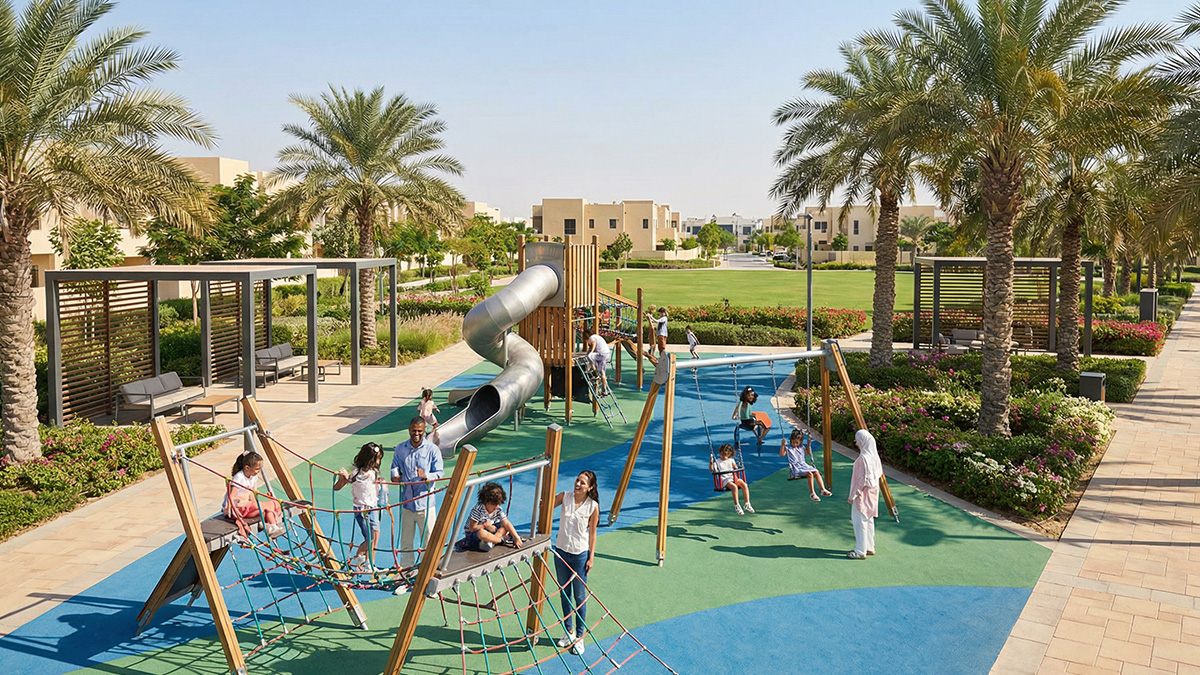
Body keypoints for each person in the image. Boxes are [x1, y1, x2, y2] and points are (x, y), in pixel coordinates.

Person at [391, 417, 444, 584]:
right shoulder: (400, 448)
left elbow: (440, 472)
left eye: (420, 431)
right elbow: (394, 466)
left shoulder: (432, 449)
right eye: (414, 430)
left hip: (425, 503)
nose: (416, 434)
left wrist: (426, 476)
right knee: (406, 541)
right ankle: (407, 572)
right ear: (409, 429)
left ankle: (429, 573)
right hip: (406, 502)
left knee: (429, 539)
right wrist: (395, 475)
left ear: (424, 430)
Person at [553, 470, 599, 656]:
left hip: (579, 555)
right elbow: (546, 505)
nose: (578, 484)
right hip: (561, 552)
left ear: (590, 487)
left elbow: (593, 532)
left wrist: (591, 556)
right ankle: (569, 631)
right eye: (577, 480)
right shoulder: (565, 497)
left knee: (580, 597)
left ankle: (580, 637)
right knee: (565, 594)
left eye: (582, 482)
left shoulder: (592, 506)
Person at [334, 442, 385, 571]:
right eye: (376, 458)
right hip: (361, 510)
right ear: (368, 459)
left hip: (372, 508)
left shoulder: (374, 473)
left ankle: (369, 563)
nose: (378, 461)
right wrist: (343, 477)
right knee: (370, 537)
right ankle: (358, 556)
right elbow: (337, 487)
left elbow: (377, 488)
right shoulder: (356, 474)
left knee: (375, 534)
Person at [223, 451, 283, 537]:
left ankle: (272, 526)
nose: (259, 471)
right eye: (257, 469)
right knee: (263, 507)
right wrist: (230, 510)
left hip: (247, 506)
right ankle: (268, 525)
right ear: (247, 468)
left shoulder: (253, 477)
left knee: (273, 505)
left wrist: (259, 501)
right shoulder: (239, 477)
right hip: (238, 507)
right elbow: (231, 496)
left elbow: (252, 493)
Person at [455, 482, 524, 552]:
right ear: (487, 502)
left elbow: (506, 522)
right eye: (494, 504)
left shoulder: (498, 509)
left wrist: (516, 537)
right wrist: (485, 526)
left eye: (498, 504)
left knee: (505, 527)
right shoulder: (478, 510)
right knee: (481, 533)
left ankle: (491, 542)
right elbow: (472, 528)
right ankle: (500, 540)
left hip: (491, 532)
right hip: (475, 535)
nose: (497, 506)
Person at [847, 429, 882, 560]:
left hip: (862, 495)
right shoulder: (874, 457)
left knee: (859, 521)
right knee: (869, 519)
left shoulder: (862, 460)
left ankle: (860, 550)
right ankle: (869, 546)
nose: (856, 442)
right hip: (873, 494)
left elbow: (861, 481)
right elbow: (878, 474)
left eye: (857, 439)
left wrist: (852, 496)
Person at [780, 429, 833, 501]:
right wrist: (783, 445)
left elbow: (808, 453)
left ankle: (822, 490)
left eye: (797, 443)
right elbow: (782, 454)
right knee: (810, 474)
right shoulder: (788, 448)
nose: (795, 444)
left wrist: (809, 444)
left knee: (816, 472)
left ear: (800, 442)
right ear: (790, 440)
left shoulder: (802, 447)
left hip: (804, 466)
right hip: (796, 469)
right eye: (793, 442)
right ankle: (812, 494)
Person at [711, 444, 754, 515]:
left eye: (726, 455)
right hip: (724, 480)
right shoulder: (717, 461)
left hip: (733, 477)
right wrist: (711, 462)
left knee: (744, 485)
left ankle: (747, 503)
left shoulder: (731, 460)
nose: (723, 456)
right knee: (734, 487)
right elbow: (712, 469)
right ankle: (737, 505)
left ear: (730, 454)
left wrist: (738, 467)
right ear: (720, 453)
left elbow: (735, 468)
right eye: (722, 454)